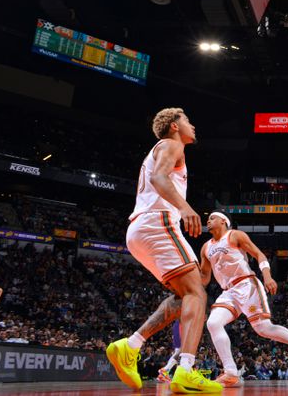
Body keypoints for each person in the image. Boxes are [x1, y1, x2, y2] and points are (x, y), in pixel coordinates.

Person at [106, 108, 221, 393]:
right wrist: (185, 208)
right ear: (174, 126)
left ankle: (129, 345)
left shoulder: (168, 148)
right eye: (188, 121)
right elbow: (158, 178)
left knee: (187, 295)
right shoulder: (172, 144)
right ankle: (185, 370)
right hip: (158, 223)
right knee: (197, 294)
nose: (193, 126)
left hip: (141, 231)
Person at [201, 211, 288, 387]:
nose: (208, 220)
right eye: (208, 218)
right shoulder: (206, 247)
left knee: (263, 328)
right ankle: (230, 373)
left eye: (212, 217)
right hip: (228, 292)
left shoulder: (234, 235)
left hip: (246, 284)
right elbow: (204, 276)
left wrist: (267, 277)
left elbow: (259, 255)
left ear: (223, 221)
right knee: (213, 323)